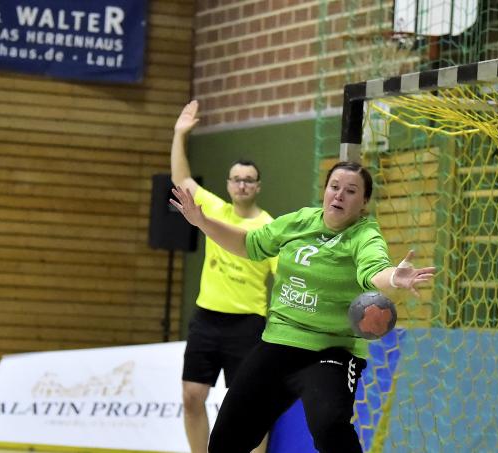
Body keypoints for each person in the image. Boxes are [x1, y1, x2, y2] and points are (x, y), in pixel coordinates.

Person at [169, 161, 435, 453]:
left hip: (331, 351)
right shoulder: (300, 221)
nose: (339, 195)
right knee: (224, 441)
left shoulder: (365, 236)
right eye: (334, 187)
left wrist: (394, 277)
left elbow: (373, 270)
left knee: (329, 426)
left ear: (364, 203)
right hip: (279, 344)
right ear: (325, 191)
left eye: (350, 191)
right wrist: (202, 222)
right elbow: (249, 243)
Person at [171, 100, 276, 453]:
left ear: (258, 186)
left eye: (249, 180)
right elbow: (180, 179)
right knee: (191, 395)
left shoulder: (269, 228)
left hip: (248, 323)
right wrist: (179, 133)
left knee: (250, 403)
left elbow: (286, 276)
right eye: (237, 179)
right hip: (207, 320)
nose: (242, 185)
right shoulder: (213, 209)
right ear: (228, 184)